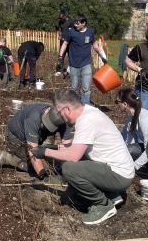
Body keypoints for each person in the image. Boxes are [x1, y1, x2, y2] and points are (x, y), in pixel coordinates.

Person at [32, 89, 134, 226]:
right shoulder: (89, 112)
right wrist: (52, 148)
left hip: (119, 175)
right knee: (80, 158)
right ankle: (111, 194)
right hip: (117, 169)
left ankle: (103, 205)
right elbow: (77, 148)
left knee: (69, 168)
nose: (60, 117)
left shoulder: (86, 120)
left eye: (59, 112)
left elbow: (73, 156)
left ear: (67, 109)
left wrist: (44, 153)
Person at [0, 102, 73, 179]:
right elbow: (33, 152)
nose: (45, 127)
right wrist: (43, 176)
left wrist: (68, 170)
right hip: (15, 137)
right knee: (43, 167)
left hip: (34, 139)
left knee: (57, 164)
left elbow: (67, 147)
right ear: (47, 112)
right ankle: (4, 157)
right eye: (45, 124)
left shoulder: (64, 121)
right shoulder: (33, 119)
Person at [57, 15, 108, 105]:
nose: (75, 25)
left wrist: (102, 57)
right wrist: (60, 57)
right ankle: (73, 105)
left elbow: (95, 46)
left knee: (86, 88)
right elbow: (65, 44)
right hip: (74, 64)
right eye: (75, 23)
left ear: (84, 23)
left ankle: (85, 107)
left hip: (86, 64)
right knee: (74, 87)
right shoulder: (71, 32)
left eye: (78, 23)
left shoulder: (90, 32)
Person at [55, 11, 73, 77]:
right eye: (60, 18)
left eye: (61, 18)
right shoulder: (60, 22)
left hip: (70, 43)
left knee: (71, 56)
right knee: (61, 56)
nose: (60, 19)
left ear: (65, 16)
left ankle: (70, 70)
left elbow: (73, 31)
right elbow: (60, 29)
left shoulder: (71, 22)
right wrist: (60, 35)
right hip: (62, 42)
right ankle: (59, 70)